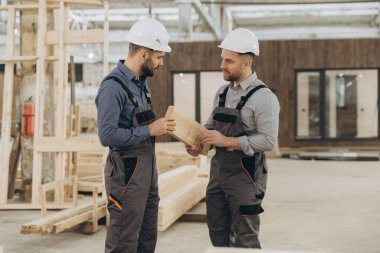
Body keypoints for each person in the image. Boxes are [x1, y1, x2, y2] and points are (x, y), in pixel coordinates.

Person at [187, 28, 280, 248]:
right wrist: (199, 145)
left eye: (229, 61)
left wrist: (226, 141)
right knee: (217, 233)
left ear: (246, 64)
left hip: (246, 176)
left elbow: (268, 140)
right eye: (222, 59)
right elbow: (210, 129)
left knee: (245, 238)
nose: (222, 65)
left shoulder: (263, 97)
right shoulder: (222, 92)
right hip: (218, 173)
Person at [95, 19, 175, 253]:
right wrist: (150, 130)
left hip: (147, 173)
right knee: (124, 241)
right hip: (126, 175)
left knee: (146, 238)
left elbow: (137, 123)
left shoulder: (140, 85)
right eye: (159, 57)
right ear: (143, 54)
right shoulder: (113, 87)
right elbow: (107, 135)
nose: (161, 63)